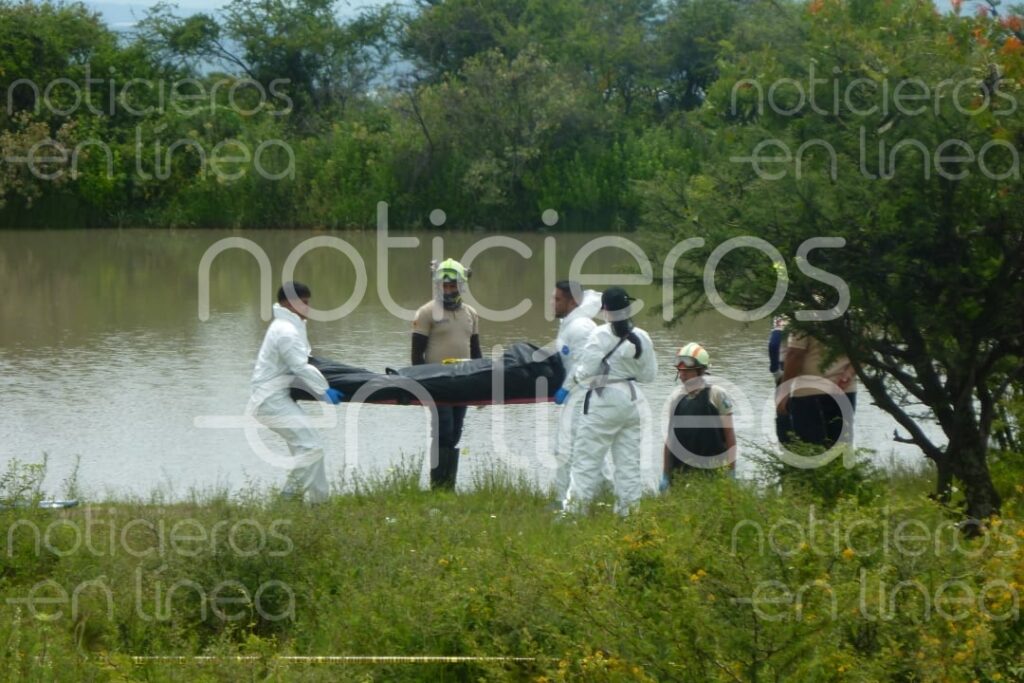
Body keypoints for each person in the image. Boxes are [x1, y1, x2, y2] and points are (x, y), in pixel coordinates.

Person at [565, 287, 658, 516]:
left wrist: (571, 381)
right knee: (628, 464)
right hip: (632, 400)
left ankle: (573, 515)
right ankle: (629, 515)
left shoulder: (600, 334)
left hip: (603, 400)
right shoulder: (643, 337)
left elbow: (586, 372)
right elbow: (649, 376)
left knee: (585, 461)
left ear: (605, 310)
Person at [251, 281, 344, 503]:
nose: (307, 308)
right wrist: (324, 391)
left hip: (277, 398)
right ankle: (287, 501)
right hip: (270, 402)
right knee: (312, 447)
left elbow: (305, 359)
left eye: (308, 303)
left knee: (310, 448)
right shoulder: (285, 331)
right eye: (303, 303)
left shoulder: (289, 325)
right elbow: (300, 366)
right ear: (288, 304)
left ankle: (319, 502)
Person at [411, 258, 481, 490]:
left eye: (452, 286)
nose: (448, 290)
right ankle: (438, 485)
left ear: (461, 287)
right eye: (444, 286)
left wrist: (483, 386)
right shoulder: (426, 312)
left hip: (463, 382)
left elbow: (477, 353)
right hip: (436, 383)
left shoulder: (471, 313)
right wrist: (420, 386)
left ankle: (447, 486)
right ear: (438, 285)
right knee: (443, 430)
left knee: (456, 432)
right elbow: (416, 355)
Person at [550, 281, 602, 507]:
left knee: (569, 451)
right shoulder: (568, 324)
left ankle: (565, 501)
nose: (553, 303)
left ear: (573, 302)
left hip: (582, 397)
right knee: (574, 450)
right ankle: (594, 496)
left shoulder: (581, 328)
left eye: (558, 300)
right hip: (573, 396)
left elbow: (586, 366)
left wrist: (566, 388)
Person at [661, 343, 736, 491]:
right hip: (681, 471)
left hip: (713, 468)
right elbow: (669, 440)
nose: (682, 375)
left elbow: (729, 436)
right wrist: (665, 474)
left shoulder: (717, 395)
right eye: (680, 371)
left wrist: (731, 470)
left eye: (687, 371)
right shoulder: (675, 398)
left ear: (700, 370)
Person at [775, 330, 857, 450]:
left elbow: (795, 354)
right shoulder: (854, 312)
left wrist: (784, 391)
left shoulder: (805, 313)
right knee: (840, 448)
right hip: (845, 390)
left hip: (810, 393)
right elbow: (865, 348)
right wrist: (849, 372)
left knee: (811, 450)